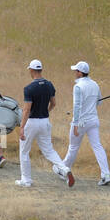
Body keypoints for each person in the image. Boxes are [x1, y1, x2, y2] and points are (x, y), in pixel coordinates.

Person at [16, 60, 74, 189]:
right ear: (40, 70)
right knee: (49, 150)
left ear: (31, 70)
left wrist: (22, 127)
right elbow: (53, 103)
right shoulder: (49, 85)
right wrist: (45, 112)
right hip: (45, 122)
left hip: (31, 122)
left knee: (24, 151)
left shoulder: (29, 88)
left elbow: (26, 110)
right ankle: (64, 169)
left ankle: (26, 180)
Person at [63, 61, 110, 186]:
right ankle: (106, 174)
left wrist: (75, 124)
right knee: (97, 146)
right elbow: (99, 102)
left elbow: (77, 106)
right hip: (93, 120)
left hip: (81, 122)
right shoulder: (95, 84)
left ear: (80, 72)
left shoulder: (78, 87)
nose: (74, 73)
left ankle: (63, 170)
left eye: (76, 71)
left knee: (73, 147)